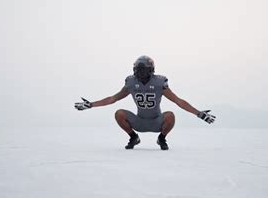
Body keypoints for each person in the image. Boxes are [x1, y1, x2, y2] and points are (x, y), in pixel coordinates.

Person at [75, 55, 216, 150]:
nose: (141, 72)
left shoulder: (159, 83)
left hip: (157, 122)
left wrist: (198, 113)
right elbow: (113, 98)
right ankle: (133, 137)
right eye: (138, 69)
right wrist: (91, 104)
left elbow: (177, 100)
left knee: (170, 115)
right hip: (139, 122)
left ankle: (161, 138)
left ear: (151, 70)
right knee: (119, 113)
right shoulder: (131, 82)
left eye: (144, 69)